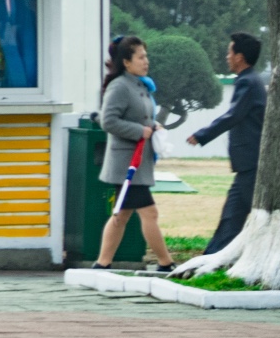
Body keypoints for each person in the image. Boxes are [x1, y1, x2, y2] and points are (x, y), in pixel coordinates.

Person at [93, 36, 178, 272]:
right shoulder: (119, 86)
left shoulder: (140, 84)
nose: (146, 61)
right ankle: (165, 263)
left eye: (146, 56)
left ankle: (102, 263)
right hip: (127, 164)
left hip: (139, 162)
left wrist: (153, 126)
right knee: (149, 212)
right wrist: (140, 131)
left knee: (121, 215)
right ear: (126, 62)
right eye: (140, 57)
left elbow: (141, 115)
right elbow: (108, 121)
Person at [188, 31, 267, 253]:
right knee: (231, 217)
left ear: (239, 57)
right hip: (249, 164)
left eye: (229, 52)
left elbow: (233, 116)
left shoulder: (248, 83)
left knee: (236, 217)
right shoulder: (250, 81)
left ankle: (212, 258)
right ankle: (210, 259)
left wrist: (203, 134)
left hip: (251, 162)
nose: (227, 57)